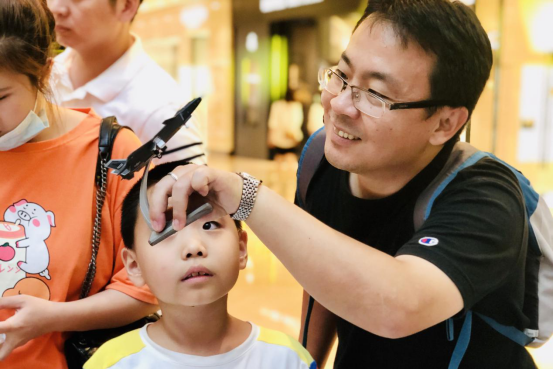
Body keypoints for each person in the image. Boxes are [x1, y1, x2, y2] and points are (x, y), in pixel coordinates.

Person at [147, 1, 544, 368]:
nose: (338, 104)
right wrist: (309, 361)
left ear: (445, 123)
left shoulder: (487, 197)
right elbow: (324, 280)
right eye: (341, 75)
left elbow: (399, 305)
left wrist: (245, 195)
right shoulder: (322, 158)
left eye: (375, 94)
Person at [0, 1, 157, 368]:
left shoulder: (111, 153)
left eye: (0, 97)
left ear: (44, 70)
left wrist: (53, 318)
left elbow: (147, 288)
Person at [84, 160, 316, 369]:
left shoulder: (287, 360)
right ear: (135, 266)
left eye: (209, 226)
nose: (194, 247)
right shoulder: (112, 363)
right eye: (165, 233)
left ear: (241, 248)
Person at [47, 0, 206, 164]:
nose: (56, 8)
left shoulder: (161, 109)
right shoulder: (41, 76)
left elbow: (190, 186)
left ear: (127, 6)